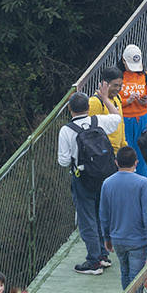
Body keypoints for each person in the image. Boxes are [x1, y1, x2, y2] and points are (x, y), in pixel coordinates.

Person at [57, 91, 115, 273]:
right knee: (101, 214)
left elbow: (63, 161)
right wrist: (106, 99)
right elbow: (117, 118)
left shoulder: (66, 130)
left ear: (69, 109)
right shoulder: (99, 121)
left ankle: (93, 261)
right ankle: (104, 255)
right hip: (104, 176)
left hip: (83, 179)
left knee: (87, 218)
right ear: (89, 108)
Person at [98, 144, 147, 293]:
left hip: (117, 238)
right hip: (137, 240)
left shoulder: (107, 183)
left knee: (125, 274)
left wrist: (106, 237)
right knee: (136, 279)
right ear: (136, 163)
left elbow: (103, 214)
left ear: (116, 162)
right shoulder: (142, 183)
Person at [116, 43, 147, 168]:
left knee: (144, 154)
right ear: (123, 60)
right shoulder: (117, 77)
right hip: (124, 119)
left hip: (143, 119)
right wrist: (127, 101)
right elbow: (112, 100)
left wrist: (146, 101)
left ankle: (143, 182)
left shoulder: (144, 76)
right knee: (126, 154)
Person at [88, 69, 126, 155]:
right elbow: (90, 131)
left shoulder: (117, 98)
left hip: (118, 151)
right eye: (115, 85)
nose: (118, 89)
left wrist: (124, 145)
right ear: (105, 84)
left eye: (120, 86)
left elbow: (121, 123)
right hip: (103, 152)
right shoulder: (95, 102)